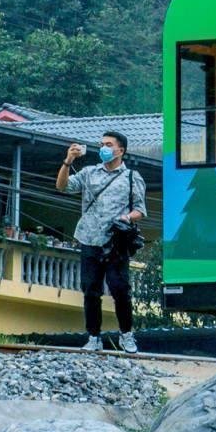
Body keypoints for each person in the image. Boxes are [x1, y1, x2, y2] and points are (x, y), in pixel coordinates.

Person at [57, 131, 147, 353]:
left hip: (116, 242)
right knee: (91, 290)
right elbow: (62, 186)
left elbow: (140, 210)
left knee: (120, 289)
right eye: (102, 144)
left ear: (121, 150)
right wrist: (68, 161)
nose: (104, 148)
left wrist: (127, 217)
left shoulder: (131, 177)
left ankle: (126, 334)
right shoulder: (89, 173)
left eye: (109, 144)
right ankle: (94, 337)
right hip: (89, 238)